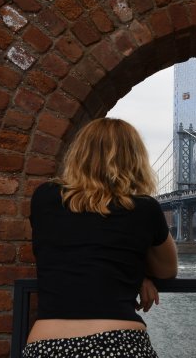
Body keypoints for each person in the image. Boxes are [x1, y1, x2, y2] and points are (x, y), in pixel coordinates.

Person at [23, 118, 178, 358]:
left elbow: (77, 246)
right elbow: (167, 270)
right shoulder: (145, 209)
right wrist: (138, 275)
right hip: (120, 344)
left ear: (78, 154)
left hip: (47, 346)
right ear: (135, 159)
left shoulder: (43, 198)